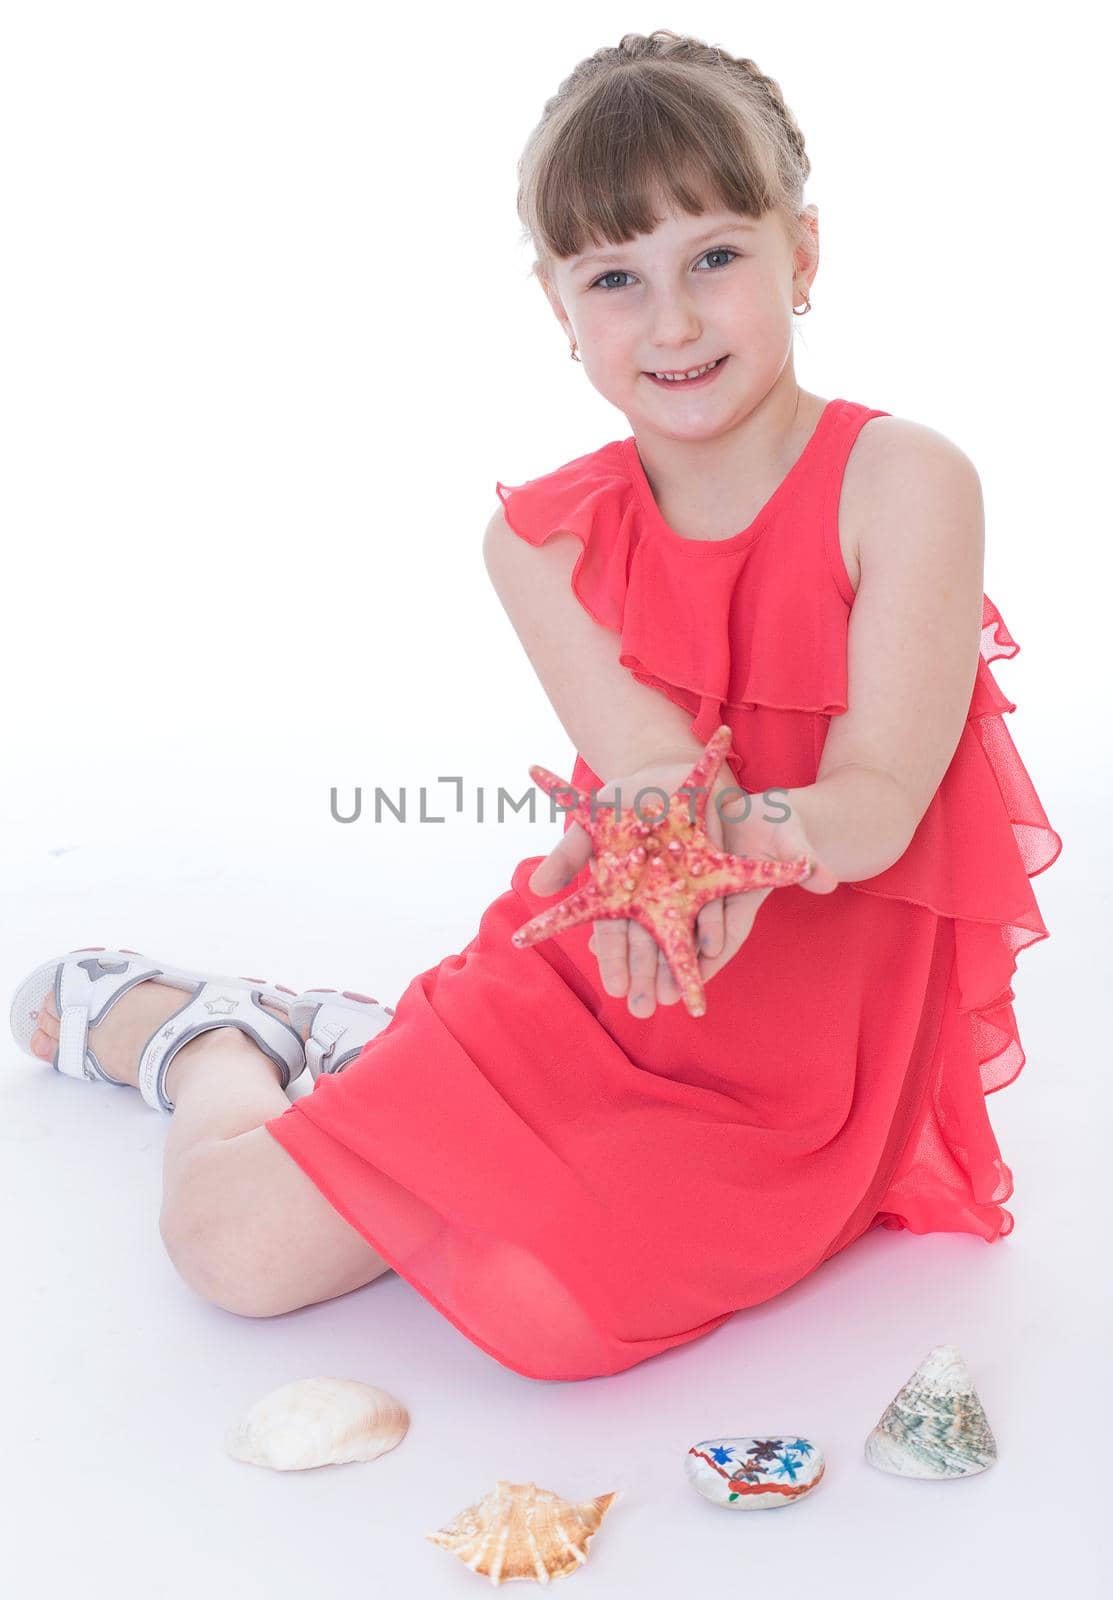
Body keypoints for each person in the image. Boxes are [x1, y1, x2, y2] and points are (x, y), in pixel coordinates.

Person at [9, 30, 1062, 1382]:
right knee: (233, 1250)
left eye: (715, 258)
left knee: (553, 1318)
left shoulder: (903, 481)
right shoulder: (541, 546)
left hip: (806, 1043)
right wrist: (659, 843)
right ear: (556, 308)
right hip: (627, 956)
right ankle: (217, 1033)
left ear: (802, 254)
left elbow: (873, 805)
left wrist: (737, 843)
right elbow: (652, 776)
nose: (670, 322)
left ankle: (360, 1051)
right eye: (615, 277)